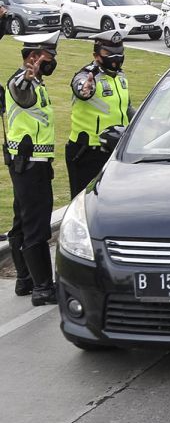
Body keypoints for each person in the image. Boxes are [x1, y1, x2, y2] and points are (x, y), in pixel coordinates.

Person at [3, 32, 60, 305]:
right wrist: (27, 77)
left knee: (22, 220)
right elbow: (19, 90)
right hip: (29, 166)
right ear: (33, 58)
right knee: (37, 225)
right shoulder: (22, 81)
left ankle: (25, 280)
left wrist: (32, 79)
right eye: (48, 57)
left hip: (28, 164)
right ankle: (43, 288)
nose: (52, 62)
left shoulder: (38, 84)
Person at [67, 30, 133, 197]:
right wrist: (85, 88)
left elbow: (126, 107)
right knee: (85, 201)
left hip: (115, 150)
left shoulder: (121, 77)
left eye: (120, 52)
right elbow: (81, 88)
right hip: (88, 151)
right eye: (109, 53)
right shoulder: (87, 75)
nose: (116, 57)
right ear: (96, 55)